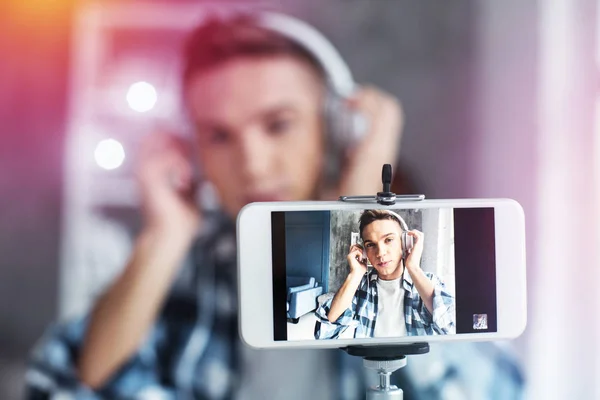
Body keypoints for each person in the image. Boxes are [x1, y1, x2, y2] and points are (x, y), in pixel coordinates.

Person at [25, 11, 524, 400]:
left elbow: (489, 392)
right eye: (218, 136)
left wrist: (361, 204)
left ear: (335, 129)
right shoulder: (192, 269)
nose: (252, 162)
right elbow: (63, 387)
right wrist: (164, 236)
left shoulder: (415, 251)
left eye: (278, 124)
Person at [315, 210, 455, 340]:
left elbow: (452, 329)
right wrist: (354, 275)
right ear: (364, 251)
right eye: (370, 245)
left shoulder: (428, 283)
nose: (380, 253)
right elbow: (324, 335)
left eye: (388, 240)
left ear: (405, 243)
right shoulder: (360, 287)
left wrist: (413, 267)